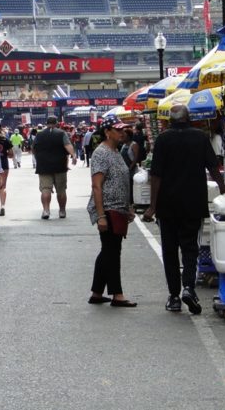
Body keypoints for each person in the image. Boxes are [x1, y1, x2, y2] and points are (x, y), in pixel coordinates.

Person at [143, 105, 225, 314]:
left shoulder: (163, 139)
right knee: (191, 249)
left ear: (170, 121)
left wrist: (152, 207)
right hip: (193, 204)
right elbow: (213, 167)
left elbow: (156, 175)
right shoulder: (200, 137)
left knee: (170, 251)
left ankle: (173, 296)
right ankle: (189, 287)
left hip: (167, 206)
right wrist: (224, 190)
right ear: (189, 119)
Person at [87, 116, 137, 308]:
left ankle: (97, 292)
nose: (122, 132)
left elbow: (122, 181)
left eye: (123, 130)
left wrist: (128, 206)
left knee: (108, 250)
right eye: (118, 130)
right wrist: (101, 216)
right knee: (112, 251)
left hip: (118, 207)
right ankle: (117, 294)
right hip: (107, 208)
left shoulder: (115, 151)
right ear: (107, 132)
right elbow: (97, 186)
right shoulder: (101, 153)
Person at [33, 115, 77, 219]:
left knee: (45, 189)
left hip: (43, 166)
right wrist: (73, 155)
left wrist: (38, 158)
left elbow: (34, 148)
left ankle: (46, 211)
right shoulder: (62, 133)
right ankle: (62, 211)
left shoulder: (39, 135)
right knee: (61, 190)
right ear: (57, 123)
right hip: (59, 165)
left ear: (46, 123)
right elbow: (67, 145)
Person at [0, 123, 13, 216]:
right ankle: (3, 206)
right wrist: (5, 154)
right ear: (0, 128)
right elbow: (11, 154)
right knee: (3, 186)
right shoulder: (5, 139)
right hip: (4, 164)